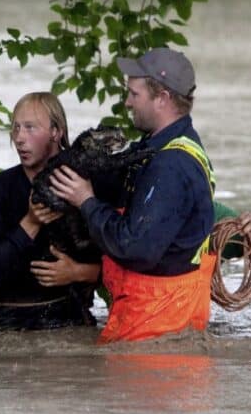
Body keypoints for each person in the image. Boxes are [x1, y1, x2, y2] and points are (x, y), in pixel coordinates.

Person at [50, 48, 217, 343]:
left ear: (162, 98)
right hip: (155, 316)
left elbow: (135, 247)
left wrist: (85, 200)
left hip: (157, 326)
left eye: (134, 94)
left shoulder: (172, 165)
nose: (127, 102)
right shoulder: (161, 146)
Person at [0, 92, 103, 331]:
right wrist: (30, 223)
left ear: (56, 131)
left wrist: (79, 272)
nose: (19, 138)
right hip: (8, 322)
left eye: (30, 128)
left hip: (71, 318)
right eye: (16, 128)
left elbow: (130, 259)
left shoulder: (87, 186)